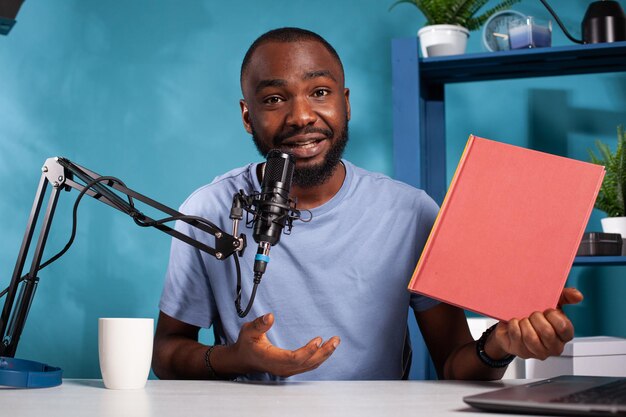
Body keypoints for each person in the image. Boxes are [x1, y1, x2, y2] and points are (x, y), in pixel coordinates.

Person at [152, 27, 583, 381]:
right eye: (275, 99)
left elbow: (455, 366)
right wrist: (237, 359)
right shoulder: (208, 210)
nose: (302, 116)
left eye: (320, 92)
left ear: (346, 103)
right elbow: (166, 354)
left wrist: (498, 346)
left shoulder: (411, 213)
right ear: (248, 116)